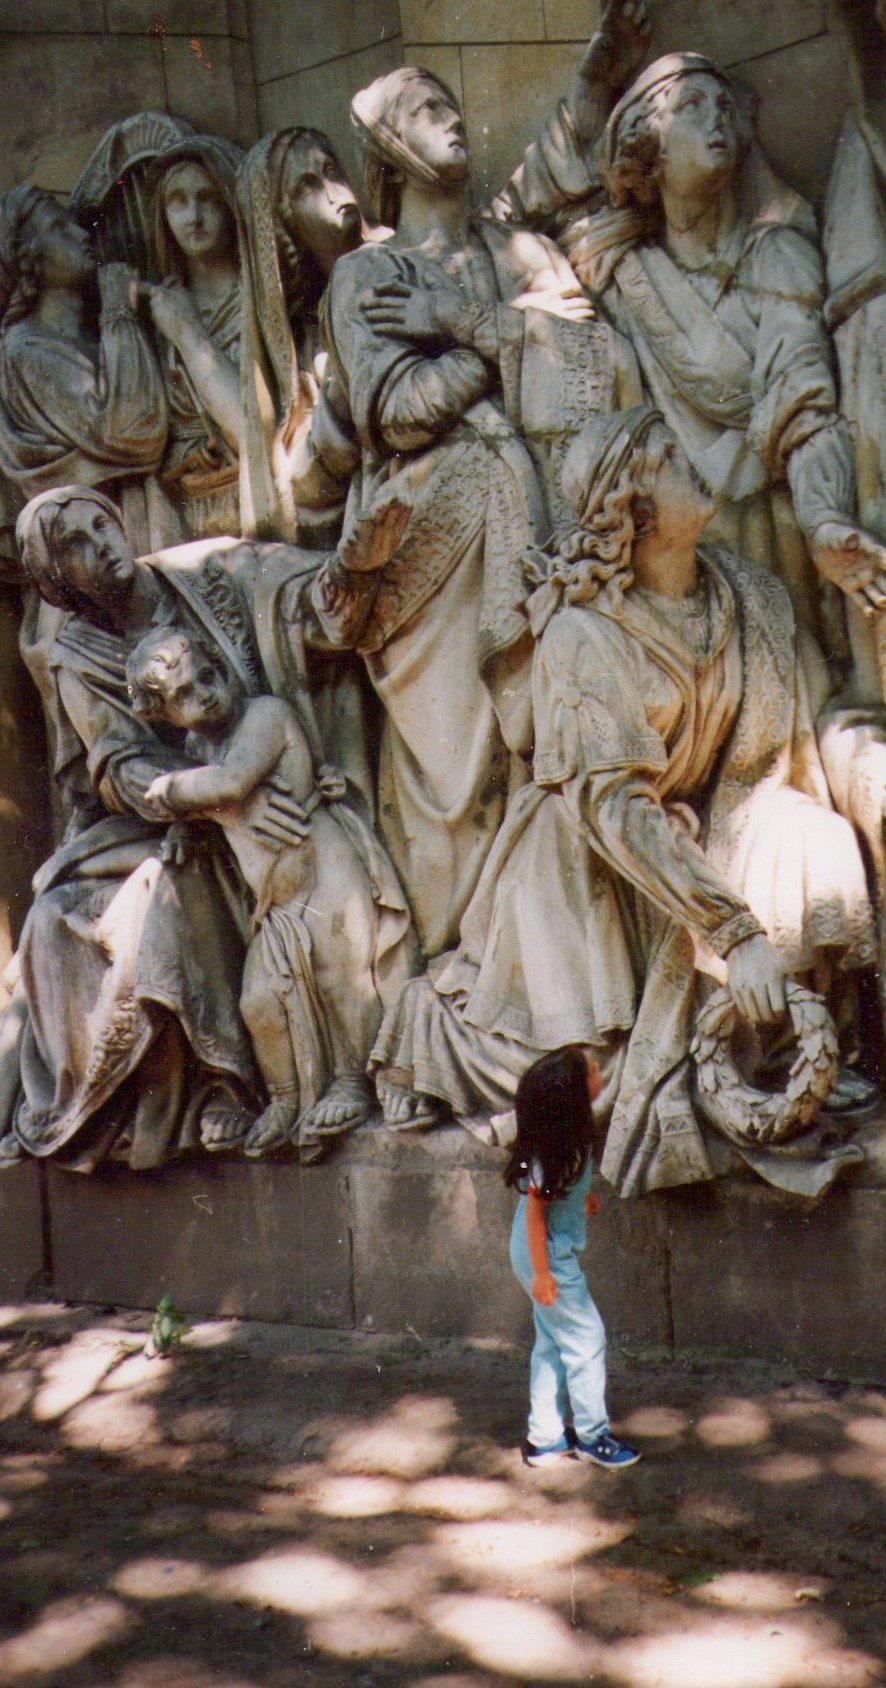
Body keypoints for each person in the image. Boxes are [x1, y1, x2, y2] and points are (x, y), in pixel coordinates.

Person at [372, 407, 876, 1196]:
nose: (692, 460)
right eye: (670, 457)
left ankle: (787, 1046)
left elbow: (776, 756)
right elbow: (614, 808)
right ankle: (431, 1032)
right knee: (593, 1068)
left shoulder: (747, 595)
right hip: (590, 863)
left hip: (708, 827)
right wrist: (735, 930)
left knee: (813, 836)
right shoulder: (583, 636)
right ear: (632, 511)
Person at [308, 65, 641, 959]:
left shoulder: (521, 250)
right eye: (424, 110)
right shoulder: (368, 274)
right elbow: (398, 410)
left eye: (451, 102)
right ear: (388, 148)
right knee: (458, 775)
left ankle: (557, 967)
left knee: (546, 754)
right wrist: (499, 337)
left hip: (548, 525)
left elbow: (593, 361)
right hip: (433, 552)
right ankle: (462, 971)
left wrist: (456, 321)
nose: (451, 118)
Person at [502, 51, 886, 681]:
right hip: (660, 561)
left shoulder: (776, 256)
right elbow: (500, 227)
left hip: (770, 539)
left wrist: (824, 518)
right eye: (692, 106)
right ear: (645, 149)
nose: (719, 121)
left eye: (726, 108)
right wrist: (589, 87)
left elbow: (804, 401)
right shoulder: (608, 266)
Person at [127, 626, 415, 1157]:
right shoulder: (198, 746)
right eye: (184, 695)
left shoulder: (264, 716)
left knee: (342, 977)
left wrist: (171, 790)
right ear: (164, 715)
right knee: (258, 1003)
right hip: (276, 899)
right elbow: (218, 805)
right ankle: (284, 1097)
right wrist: (186, 826)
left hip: (324, 866)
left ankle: (351, 1081)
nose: (205, 694)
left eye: (207, 677)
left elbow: (232, 784)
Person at [506, 1045, 641, 1469]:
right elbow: (535, 1210)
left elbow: (558, 1195)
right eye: (593, 1070)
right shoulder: (558, 1149)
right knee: (586, 1338)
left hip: (540, 1250)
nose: (600, 1070)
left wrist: (581, 1201)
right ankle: (592, 1435)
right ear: (574, 1093)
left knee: (553, 1341)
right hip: (544, 1254)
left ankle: (545, 1437)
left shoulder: (568, 1137)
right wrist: (542, 1274)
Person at [237, 126, 368, 542]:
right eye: (307, 187)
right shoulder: (307, 334)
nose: (332, 192)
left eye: (332, 171)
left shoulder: (394, 254)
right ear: (283, 220)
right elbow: (304, 476)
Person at [146, 136, 245, 539]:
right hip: (186, 510)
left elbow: (252, 430)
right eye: (178, 201)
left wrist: (187, 332)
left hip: (251, 498)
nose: (194, 217)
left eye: (208, 199)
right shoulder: (157, 312)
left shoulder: (260, 302)